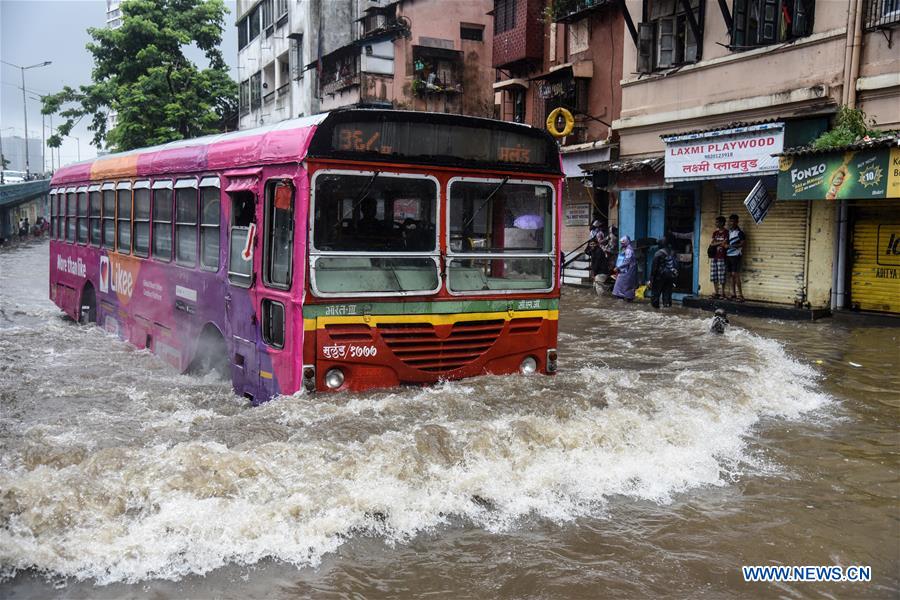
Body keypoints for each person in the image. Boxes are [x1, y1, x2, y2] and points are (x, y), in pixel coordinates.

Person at [649, 236, 678, 308]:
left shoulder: (658, 253)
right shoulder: (673, 252)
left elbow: (654, 268)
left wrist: (651, 280)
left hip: (659, 277)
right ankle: (667, 309)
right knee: (667, 296)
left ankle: (655, 311)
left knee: (655, 296)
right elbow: (676, 265)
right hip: (670, 277)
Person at [726, 214, 746, 302]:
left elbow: (742, 244)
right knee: (731, 275)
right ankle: (733, 294)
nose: (731, 223)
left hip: (736, 256)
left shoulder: (740, 233)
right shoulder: (729, 232)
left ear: (737, 222)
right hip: (728, 256)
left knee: (736, 275)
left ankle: (740, 295)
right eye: (730, 221)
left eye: (733, 221)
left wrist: (730, 246)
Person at [612, 235, 638, 302]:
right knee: (625, 288)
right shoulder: (626, 249)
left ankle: (625, 301)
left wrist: (618, 267)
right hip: (626, 271)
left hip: (627, 272)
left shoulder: (629, 250)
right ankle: (626, 301)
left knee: (622, 288)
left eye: (623, 243)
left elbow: (627, 261)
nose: (622, 244)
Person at [708, 216, 729, 299]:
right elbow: (712, 244)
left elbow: (725, 243)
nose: (716, 223)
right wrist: (720, 242)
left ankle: (722, 293)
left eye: (717, 222)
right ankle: (717, 292)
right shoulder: (715, 233)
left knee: (721, 275)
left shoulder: (727, 232)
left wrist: (717, 243)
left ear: (722, 223)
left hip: (722, 257)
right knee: (714, 275)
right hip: (714, 257)